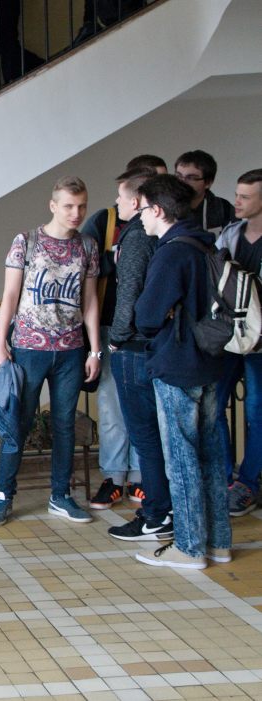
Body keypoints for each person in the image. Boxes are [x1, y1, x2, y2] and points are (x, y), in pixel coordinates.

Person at [0, 176, 100, 528]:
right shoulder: (26, 242)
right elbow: (10, 295)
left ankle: (60, 495)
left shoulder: (88, 246)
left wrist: (95, 350)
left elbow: (90, 300)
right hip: (28, 349)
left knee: (65, 424)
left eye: (81, 206)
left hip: (71, 350)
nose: (76, 213)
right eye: (68, 206)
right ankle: (3, 494)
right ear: (53, 206)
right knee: (17, 423)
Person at [132, 174, 230, 569]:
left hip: (177, 364)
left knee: (182, 458)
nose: (139, 217)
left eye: (142, 209)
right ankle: (218, 543)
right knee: (211, 456)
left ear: (157, 210)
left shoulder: (171, 253)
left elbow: (146, 316)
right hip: (210, 361)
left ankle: (189, 548)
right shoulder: (206, 244)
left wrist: (157, 313)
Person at [104, 168, 175, 542]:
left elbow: (128, 292)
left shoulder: (135, 237)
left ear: (136, 201)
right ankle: (164, 510)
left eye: (120, 197)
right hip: (158, 344)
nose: (116, 203)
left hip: (133, 348)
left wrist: (115, 339)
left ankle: (155, 514)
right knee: (159, 435)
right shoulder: (170, 236)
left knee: (145, 436)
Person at [80, 168, 146, 509]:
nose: (117, 201)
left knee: (143, 408)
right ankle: (114, 476)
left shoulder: (155, 230)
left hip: (144, 334)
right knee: (111, 406)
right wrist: (115, 259)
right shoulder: (105, 221)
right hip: (108, 328)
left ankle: (141, 477)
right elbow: (85, 264)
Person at [214, 169, 262, 517]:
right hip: (229, 336)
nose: (237, 202)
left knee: (257, 413)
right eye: (237, 194)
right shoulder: (230, 234)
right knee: (213, 406)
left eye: (245, 196)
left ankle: (248, 483)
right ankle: (224, 477)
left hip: (261, 343)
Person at [174, 150, 235, 234]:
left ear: (208, 183)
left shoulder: (225, 209)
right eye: (178, 176)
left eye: (191, 178)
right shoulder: (164, 208)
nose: (182, 182)